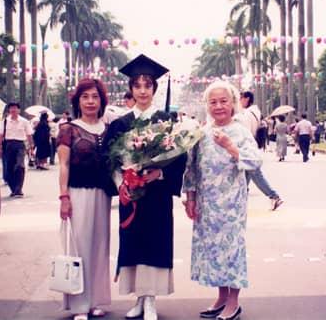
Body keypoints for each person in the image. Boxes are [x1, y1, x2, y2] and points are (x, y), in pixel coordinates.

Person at [102, 54, 187, 320]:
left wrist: (158, 174)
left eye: (147, 85)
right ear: (130, 89)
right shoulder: (120, 124)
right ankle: (139, 298)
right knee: (133, 244)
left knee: (155, 243)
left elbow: (180, 158)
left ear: (154, 89)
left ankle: (151, 300)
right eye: (137, 85)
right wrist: (121, 184)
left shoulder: (166, 122)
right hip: (132, 197)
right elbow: (110, 159)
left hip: (157, 196)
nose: (142, 90)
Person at [183, 81, 261, 320]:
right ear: (207, 105)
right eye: (213, 102)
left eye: (223, 101)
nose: (218, 106)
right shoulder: (202, 132)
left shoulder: (240, 131)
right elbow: (192, 169)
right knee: (214, 251)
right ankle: (221, 296)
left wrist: (230, 147)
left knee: (232, 250)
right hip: (208, 204)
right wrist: (191, 198)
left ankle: (234, 302)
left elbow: (255, 162)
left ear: (233, 103)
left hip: (232, 205)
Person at [57, 78, 112, 320]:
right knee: (79, 248)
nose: (90, 101)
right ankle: (79, 305)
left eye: (95, 97)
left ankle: (94, 301)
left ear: (102, 101)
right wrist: (64, 197)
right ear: (78, 101)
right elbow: (64, 165)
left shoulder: (109, 130)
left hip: (103, 195)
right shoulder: (69, 129)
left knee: (100, 247)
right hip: (78, 194)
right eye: (85, 97)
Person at [238, 91, 283, 211]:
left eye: (240, 98)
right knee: (246, 175)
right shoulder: (254, 112)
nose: (239, 101)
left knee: (255, 174)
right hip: (251, 147)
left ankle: (274, 196)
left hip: (247, 148)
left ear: (247, 99)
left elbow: (245, 133)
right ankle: (241, 201)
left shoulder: (247, 114)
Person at [0, 102, 34, 198]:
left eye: (15, 108)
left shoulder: (24, 121)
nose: (13, 110)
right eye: (11, 108)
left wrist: (31, 147)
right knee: (9, 169)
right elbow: (0, 135)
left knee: (20, 166)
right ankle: (13, 189)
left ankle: (18, 189)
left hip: (20, 145)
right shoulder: (5, 121)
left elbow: (29, 135)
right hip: (8, 145)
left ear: (19, 110)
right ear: (9, 110)